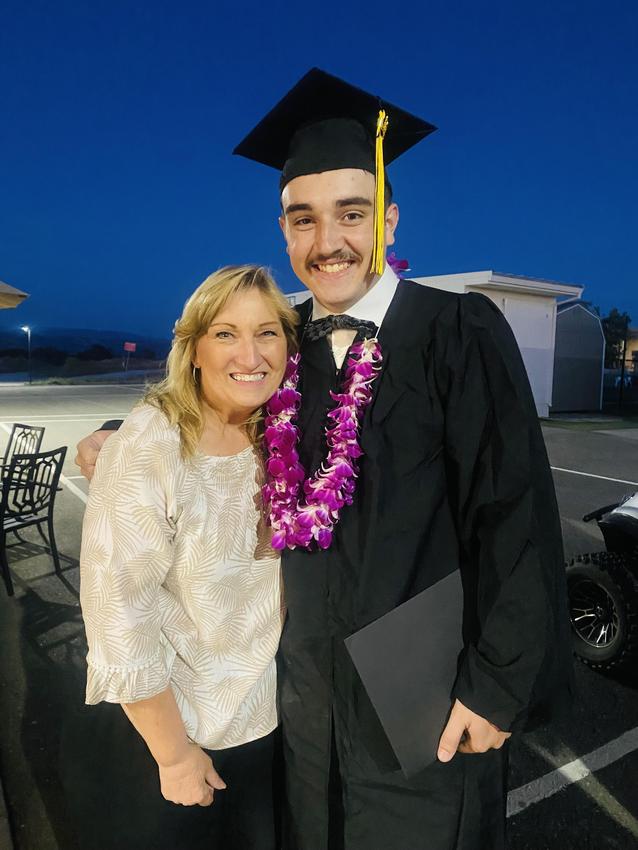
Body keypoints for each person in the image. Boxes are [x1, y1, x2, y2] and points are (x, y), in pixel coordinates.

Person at [77, 70, 573, 850]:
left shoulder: (457, 332)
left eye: (352, 213)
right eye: (303, 220)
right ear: (283, 233)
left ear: (389, 220)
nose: (328, 241)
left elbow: (515, 515)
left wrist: (498, 685)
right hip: (305, 701)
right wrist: (119, 435)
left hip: (424, 696)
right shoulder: (284, 344)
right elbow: (207, 401)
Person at [72, 265, 298, 850]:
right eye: (225, 333)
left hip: (264, 719)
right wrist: (173, 756)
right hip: (182, 730)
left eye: (267, 332)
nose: (249, 353)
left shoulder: (279, 430)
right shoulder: (151, 446)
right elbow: (119, 615)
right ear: (193, 347)